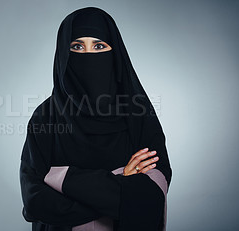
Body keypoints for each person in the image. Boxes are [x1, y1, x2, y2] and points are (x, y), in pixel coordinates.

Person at [19, 7, 172, 231]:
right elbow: (35, 201)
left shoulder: (137, 113)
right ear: (63, 55)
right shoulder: (45, 117)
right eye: (77, 46)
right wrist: (121, 185)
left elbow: (154, 190)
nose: (88, 55)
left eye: (99, 46)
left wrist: (65, 180)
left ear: (114, 52)